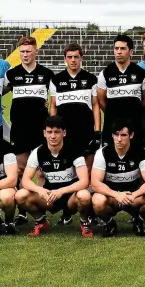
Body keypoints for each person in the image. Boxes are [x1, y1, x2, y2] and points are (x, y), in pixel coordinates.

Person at [14, 116, 93, 237]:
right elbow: (25, 180)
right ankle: (41, 221)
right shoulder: (38, 152)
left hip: (71, 196)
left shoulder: (74, 150)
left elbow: (84, 181)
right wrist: (40, 190)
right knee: (20, 195)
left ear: (64, 133)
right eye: (49, 132)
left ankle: (84, 222)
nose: (53, 136)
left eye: (57, 132)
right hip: (50, 196)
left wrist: (61, 191)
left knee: (84, 195)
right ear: (44, 133)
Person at [3, 36, 54, 225]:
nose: (25, 55)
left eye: (28, 51)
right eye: (22, 51)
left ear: (36, 52)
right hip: (19, 130)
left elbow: (57, 97)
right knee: (20, 170)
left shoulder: (47, 74)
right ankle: (22, 211)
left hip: (40, 130)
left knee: (42, 171)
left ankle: (41, 209)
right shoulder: (12, 74)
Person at [49, 43, 101, 225]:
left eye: (76, 57)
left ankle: (89, 212)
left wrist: (97, 131)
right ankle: (67, 211)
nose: (73, 60)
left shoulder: (90, 78)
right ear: (65, 59)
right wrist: (53, 130)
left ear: (81, 58)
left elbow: (95, 106)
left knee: (87, 172)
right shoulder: (56, 80)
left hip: (85, 133)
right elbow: (53, 106)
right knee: (69, 173)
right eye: (69, 57)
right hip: (65, 135)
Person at [90, 118, 145, 237]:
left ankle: (138, 221)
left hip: (133, 197)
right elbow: (95, 183)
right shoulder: (103, 153)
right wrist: (116, 195)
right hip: (112, 197)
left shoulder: (140, 151)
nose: (119, 139)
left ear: (131, 135)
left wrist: (134, 195)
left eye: (123, 135)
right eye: (116, 135)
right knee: (97, 200)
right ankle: (110, 223)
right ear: (112, 135)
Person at [96, 35, 145, 149]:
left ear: (131, 51)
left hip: (134, 126)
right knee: (109, 160)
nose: (119, 52)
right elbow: (101, 100)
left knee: (137, 159)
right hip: (112, 125)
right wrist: (113, 113)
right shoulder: (105, 73)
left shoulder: (141, 73)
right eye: (116, 48)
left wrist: (135, 111)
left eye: (123, 48)